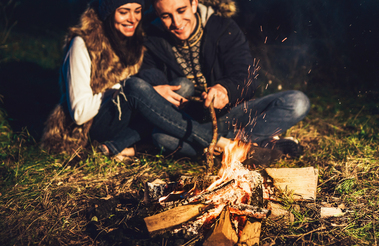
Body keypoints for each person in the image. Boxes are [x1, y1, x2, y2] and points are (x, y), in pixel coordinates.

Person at [135, 0, 311, 164]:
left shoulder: (222, 27)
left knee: (297, 102)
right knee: (162, 138)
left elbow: (246, 74)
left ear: (194, 3)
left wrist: (226, 89)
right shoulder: (152, 38)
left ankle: (222, 145)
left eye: (181, 10)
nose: (176, 21)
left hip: (230, 115)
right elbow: (148, 73)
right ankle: (251, 146)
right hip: (186, 122)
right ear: (158, 13)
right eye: (166, 16)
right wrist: (155, 89)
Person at [41, 0, 146, 159]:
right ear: (108, 13)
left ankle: (125, 147)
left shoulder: (136, 42)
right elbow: (79, 113)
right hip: (87, 129)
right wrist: (123, 90)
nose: (133, 19)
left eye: (137, 11)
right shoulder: (83, 44)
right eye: (124, 12)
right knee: (137, 89)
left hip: (124, 118)